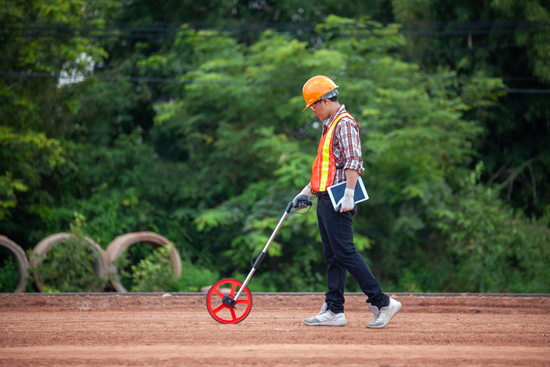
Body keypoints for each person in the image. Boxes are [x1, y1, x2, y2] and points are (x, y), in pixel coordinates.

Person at [293, 75, 401, 328]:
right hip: (324, 198)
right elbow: (327, 167)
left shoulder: (345, 124)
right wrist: (306, 192)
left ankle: (383, 302)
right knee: (332, 255)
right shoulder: (329, 126)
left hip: (339, 199)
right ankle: (334, 310)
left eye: (314, 106)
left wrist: (349, 195)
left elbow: (353, 161)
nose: (313, 111)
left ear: (325, 100)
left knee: (345, 251)